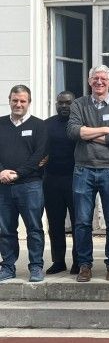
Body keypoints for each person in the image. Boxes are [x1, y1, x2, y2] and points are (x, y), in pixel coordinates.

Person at [66, 66, 109, 282]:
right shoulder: (78, 104)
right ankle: (85, 265)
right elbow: (74, 132)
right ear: (89, 81)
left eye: (103, 79)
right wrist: (104, 129)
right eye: (95, 78)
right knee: (82, 221)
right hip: (83, 169)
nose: (99, 82)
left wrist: (88, 132)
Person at [0, 85, 48, 283]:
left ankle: (36, 267)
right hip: (3, 186)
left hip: (31, 186)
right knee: (5, 229)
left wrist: (17, 174)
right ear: (9, 100)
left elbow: (40, 155)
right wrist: (1, 171)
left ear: (29, 102)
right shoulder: (0, 124)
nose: (18, 104)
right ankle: (8, 267)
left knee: (34, 228)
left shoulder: (39, 126)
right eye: (15, 100)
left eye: (23, 101)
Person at [43, 91, 78, 275]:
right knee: (55, 223)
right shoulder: (47, 124)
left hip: (75, 179)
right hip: (51, 180)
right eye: (60, 103)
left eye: (68, 103)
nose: (64, 106)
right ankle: (58, 261)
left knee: (78, 222)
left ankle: (79, 261)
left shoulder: (80, 124)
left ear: (74, 103)